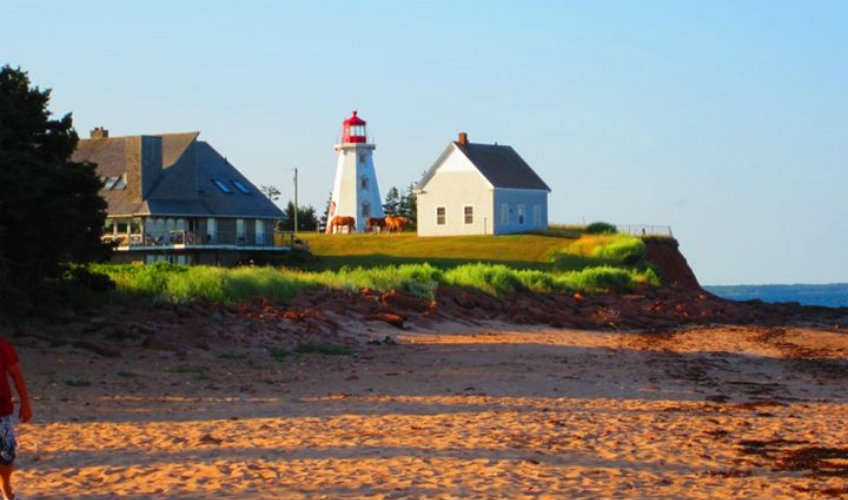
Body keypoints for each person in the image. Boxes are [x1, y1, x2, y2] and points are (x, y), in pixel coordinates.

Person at [0, 338, 31, 500]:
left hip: (2, 411)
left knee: (7, 452)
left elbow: (16, 374)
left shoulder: (2, 346)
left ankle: (5, 483)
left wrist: (25, 403)